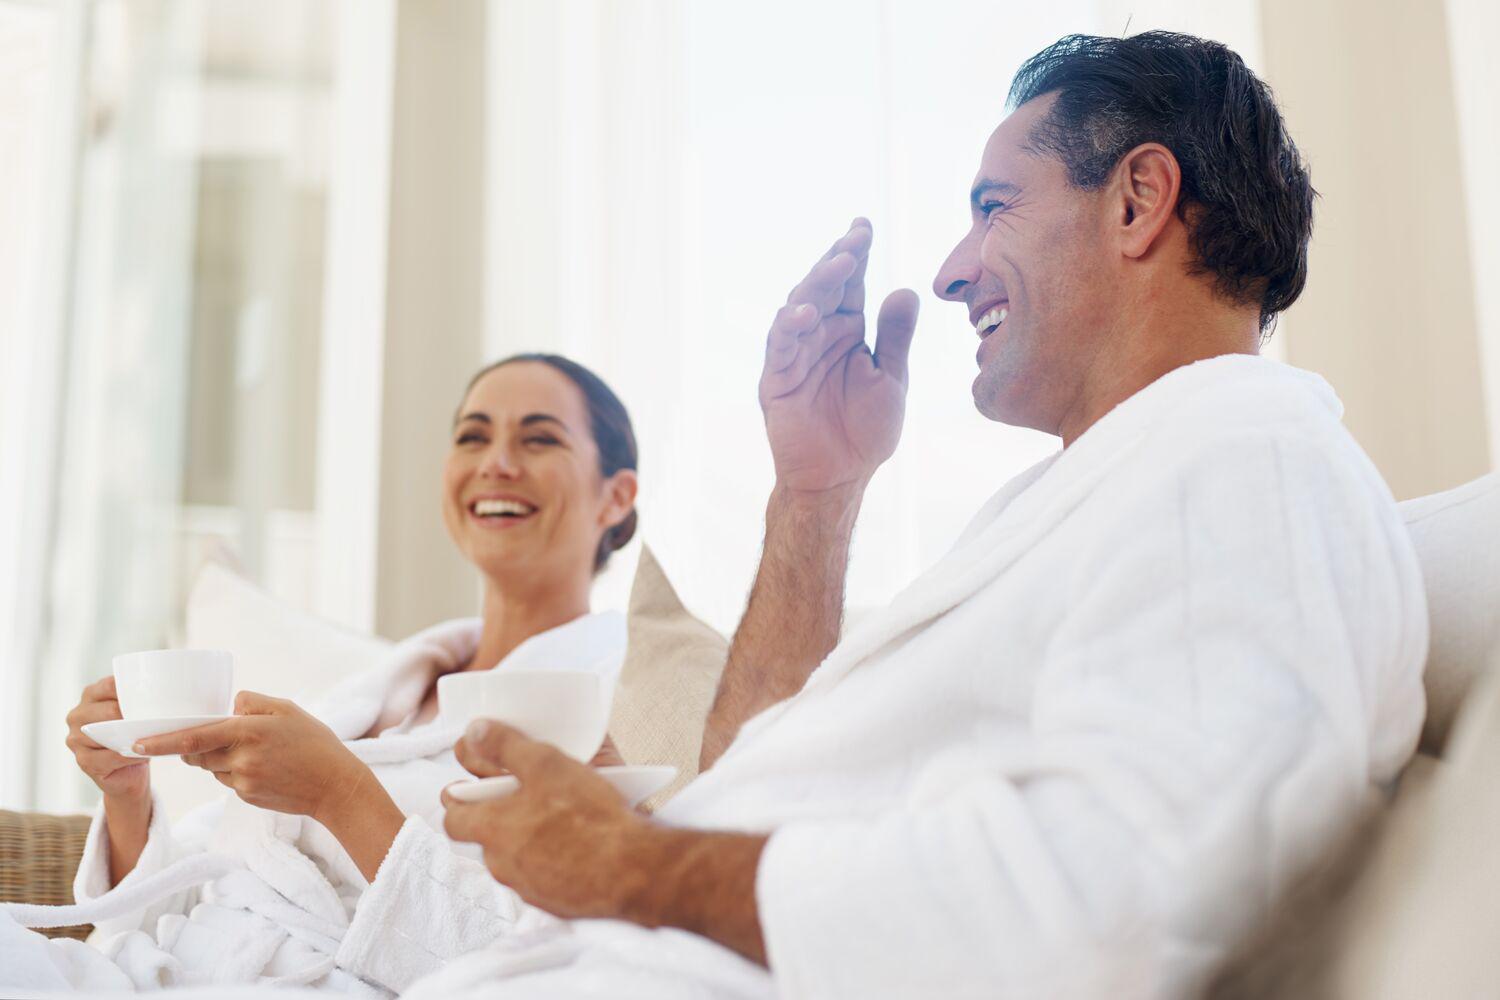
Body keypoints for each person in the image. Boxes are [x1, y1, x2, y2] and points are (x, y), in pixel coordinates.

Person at [411, 31, 1425, 999]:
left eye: (994, 207)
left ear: (1139, 201)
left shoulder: (1249, 461)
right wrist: (815, 495)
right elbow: (750, 782)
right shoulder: (1100, 494)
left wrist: (634, 863)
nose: (950, 269)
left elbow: (1127, 903)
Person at [0, 354, 641, 994]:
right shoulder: (371, 692)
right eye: (472, 436)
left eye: (539, 439)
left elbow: (554, 968)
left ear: (617, 495)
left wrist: (340, 795)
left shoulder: (620, 700)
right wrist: (128, 796)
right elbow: (167, 908)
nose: (494, 462)